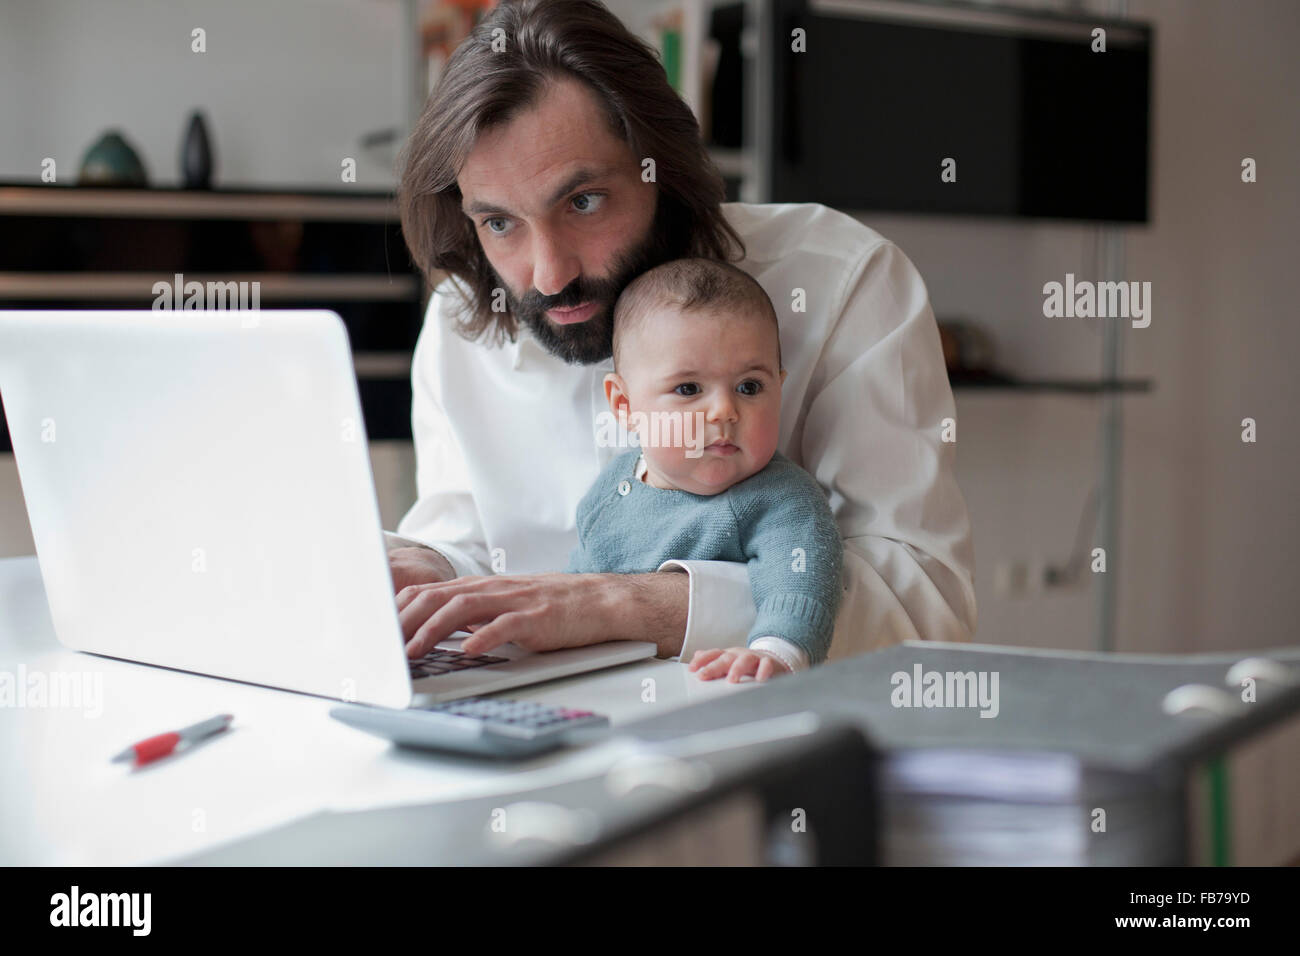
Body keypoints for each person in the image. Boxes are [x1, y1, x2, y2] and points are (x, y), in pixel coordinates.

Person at [387, 0, 976, 669]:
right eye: (499, 222)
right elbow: (463, 539)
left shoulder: (845, 279)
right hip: (523, 724)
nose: (549, 273)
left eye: (582, 202)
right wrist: (418, 570)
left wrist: (622, 606)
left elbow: (926, 601)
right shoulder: (461, 322)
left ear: (660, 170)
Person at [566, 258, 842, 682]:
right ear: (624, 406)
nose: (724, 411)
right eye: (688, 389)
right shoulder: (609, 492)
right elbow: (575, 592)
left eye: (749, 387)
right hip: (609, 695)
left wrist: (778, 653)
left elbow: (800, 580)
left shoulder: (781, 498)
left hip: (724, 696)